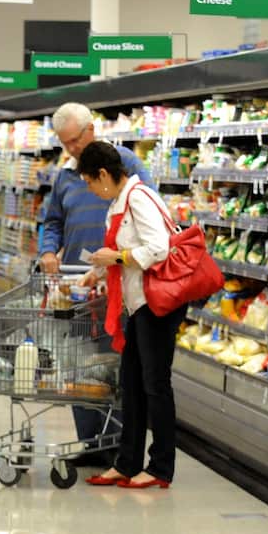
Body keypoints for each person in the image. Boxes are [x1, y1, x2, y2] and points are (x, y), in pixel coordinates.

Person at [39, 102, 152, 461]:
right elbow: (52, 221)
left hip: (117, 284)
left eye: (74, 140)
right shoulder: (65, 175)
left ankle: (117, 446)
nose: (71, 149)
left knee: (113, 367)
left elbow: (145, 212)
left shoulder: (127, 165)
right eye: (64, 143)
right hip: (76, 285)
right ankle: (90, 444)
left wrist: (117, 258)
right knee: (78, 366)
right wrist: (47, 251)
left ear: (91, 129)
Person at [75, 141, 185, 489]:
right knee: (132, 384)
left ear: (104, 174)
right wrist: (100, 269)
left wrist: (116, 258)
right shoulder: (121, 201)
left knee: (155, 385)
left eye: (91, 182)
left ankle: (160, 468)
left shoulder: (138, 198)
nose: (90, 190)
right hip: (140, 303)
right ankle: (127, 462)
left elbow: (158, 248)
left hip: (158, 304)